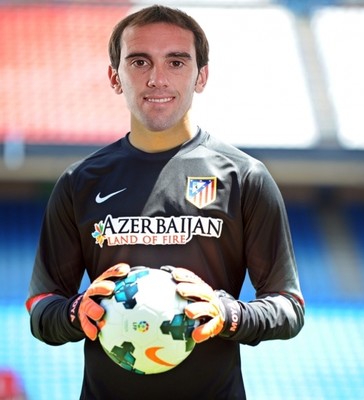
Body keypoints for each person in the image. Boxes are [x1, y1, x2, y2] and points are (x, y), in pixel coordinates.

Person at [26, 5, 305, 400]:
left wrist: (227, 313)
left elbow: (289, 307)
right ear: (115, 77)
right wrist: (76, 312)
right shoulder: (80, 182)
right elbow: (42, 303)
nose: (157, 78)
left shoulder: (244, 178)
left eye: (176, 62)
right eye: (139, 61)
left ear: (201, 76)